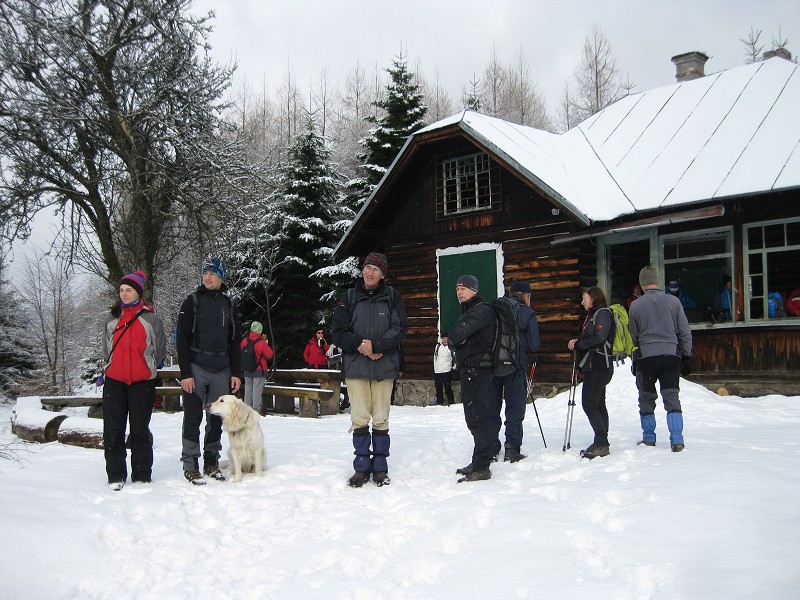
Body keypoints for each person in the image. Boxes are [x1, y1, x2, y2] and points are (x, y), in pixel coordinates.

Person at [331, 252, 408, 487]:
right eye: (367, 267)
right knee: (360, 418)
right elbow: (338, 331)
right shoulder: (349, 297)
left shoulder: (392, 296)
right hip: (357, 368)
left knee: (381, 418)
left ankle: (380, 468)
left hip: (384, 367)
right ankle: (362, 468)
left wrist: (378, 346)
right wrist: (361, 346)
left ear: (382, 274)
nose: (370, 272)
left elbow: (401, 327)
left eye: (376, 269)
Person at [176, 258, 242, 485]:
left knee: (216, 418)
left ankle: (211, 461)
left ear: (221, 277)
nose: (207, 277)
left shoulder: (229, 304)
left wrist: (237, 373)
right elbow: (181, 339)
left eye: (213, 273)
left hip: (222, 368)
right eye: (205, 273)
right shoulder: (192, 302)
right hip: (196, 367)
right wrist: (185, 373)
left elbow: (235, 341)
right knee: (193, 416)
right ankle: (190, 463)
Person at [101, 270, 167, 490]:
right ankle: (116, 475)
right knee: (113, 429)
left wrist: (147, 368)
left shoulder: (151, 319)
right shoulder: (112, 320)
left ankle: (141, 474)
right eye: (121, 290)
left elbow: (159, 351)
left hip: (142, 383)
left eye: (129, 290)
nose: (124, 294)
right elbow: (106, 349)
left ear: (139, 292)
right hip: (114, 381)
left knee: (140, 429)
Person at [629, 266, 693, 452]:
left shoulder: (636, 305)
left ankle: (649, 437)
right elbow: (684, 331)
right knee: (672, 396)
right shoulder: (673, 302)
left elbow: (633, 335)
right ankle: (677, 439)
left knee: (647, 398)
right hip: (670, 356)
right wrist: (687, 356)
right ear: (658, 281)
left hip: (647, 357)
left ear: (642, 284)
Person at [448, 275, 497, 483]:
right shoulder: (470, 311)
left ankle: (482, 466)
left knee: (478, 418)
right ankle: (479, 460)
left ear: (474, 291)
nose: (459, 292)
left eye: (464, 289)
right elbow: (457, 338)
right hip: (471, 371)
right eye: (458, 289)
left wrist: (456, 340)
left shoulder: (481, 310)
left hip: (477, 371)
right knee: (475, 417)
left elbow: (455, 337)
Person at [488, 281, 540, 462]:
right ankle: (512, 448)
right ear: (526, 296)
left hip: (493, 367)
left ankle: (491, 448)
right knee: (514, 409)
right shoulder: (527, 313)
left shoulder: (494, 309)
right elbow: (534, 344)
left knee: (492, 409)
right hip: (516, 367)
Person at [567, 286, 614, 459]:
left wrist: (579, 344)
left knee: (590, 403)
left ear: (593, 298)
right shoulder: (594, 314)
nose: (582, 302)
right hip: (596, 366)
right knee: (598, 403)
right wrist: (578, 341)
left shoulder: (602, 313)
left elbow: (600, 338)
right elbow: (594, 337)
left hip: (599, 366)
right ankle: (602, 441)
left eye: (584, 298)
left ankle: (601, 442)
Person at [240, 321, 274, 414]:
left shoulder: (244, 341)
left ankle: (246, 409)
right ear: (260, 331)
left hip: (247, 369)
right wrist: (266, 343)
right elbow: (269, 355)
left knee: (248, 390)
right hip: (259, 370)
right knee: (257, 390)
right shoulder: (261, 343)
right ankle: (256, 410)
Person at [433, 334, 455, 406]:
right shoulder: (438, 346)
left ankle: (451, 402)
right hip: (438, 370)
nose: (445, 340)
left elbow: (454, 359)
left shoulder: (451, 347)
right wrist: (435, 368)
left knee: (447, 387)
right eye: (443, 338)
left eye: (446, 338)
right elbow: (435, 357)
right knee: (438, 387)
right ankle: (439, 402)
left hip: (447, 370)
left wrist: (453, 368)